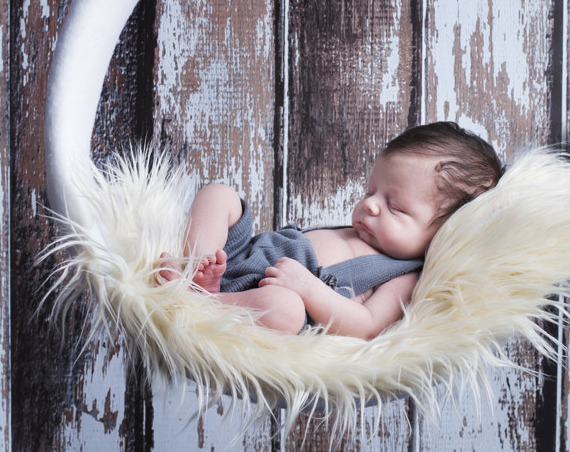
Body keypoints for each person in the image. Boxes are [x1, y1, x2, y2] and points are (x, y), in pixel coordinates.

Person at [160, 122, 503, 339]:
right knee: (220, 195)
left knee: (285, 311)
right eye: (371, 191)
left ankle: (207, 302)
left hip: (263, 297)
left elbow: (367, 325)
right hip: (239, 255)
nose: (371, 205)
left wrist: (307, 288)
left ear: (445, 233)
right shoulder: (363, 230)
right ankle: (196, 265)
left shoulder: (404, 278)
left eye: (395, 207)